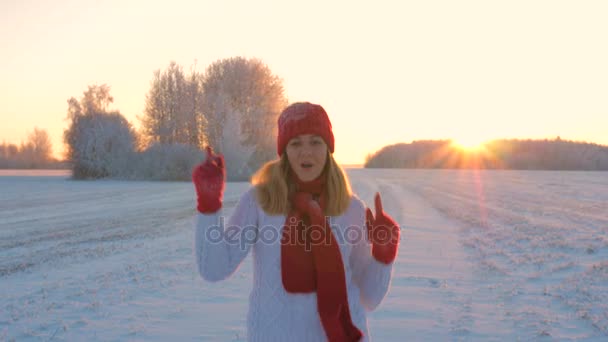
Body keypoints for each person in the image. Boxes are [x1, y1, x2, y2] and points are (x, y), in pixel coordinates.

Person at [192, 102, 401, 342]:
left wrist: (383, 256)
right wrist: (209, 206)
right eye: (296, 143)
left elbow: (369, 298)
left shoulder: (351, 208)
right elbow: (214, 269)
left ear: (328, 148)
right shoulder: (260, 202)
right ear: (284, 151)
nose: (306, 152)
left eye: (315, 141)